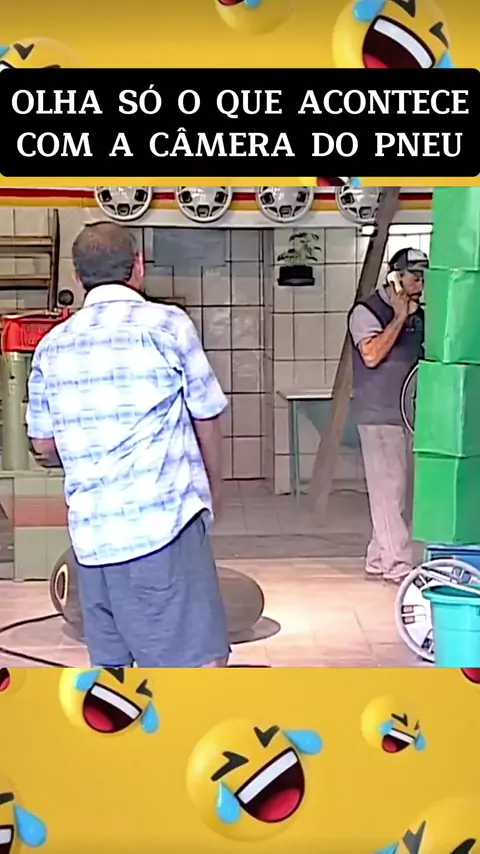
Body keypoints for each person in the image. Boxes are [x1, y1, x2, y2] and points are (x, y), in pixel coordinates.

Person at [26, 221, 230, 668]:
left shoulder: (52, 346)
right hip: (163, 530)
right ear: (138, 266)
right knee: (196, 674)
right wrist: (214, 488)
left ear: (77, 277)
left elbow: (42, 442)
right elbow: (207, 414)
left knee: (115, 684)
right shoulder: (167, 325)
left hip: (93, 542)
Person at [348, 247, 428, 584]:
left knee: (399, 495)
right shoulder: (366, 312)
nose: (420, 284)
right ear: (394, 277)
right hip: (378, 415)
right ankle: (397, 566)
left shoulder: (418, 315)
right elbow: (371, 355)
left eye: (423, 278)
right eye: (414, 277)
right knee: (388, 492)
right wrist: (397, 317)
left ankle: (378, 557)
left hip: (408, 415)